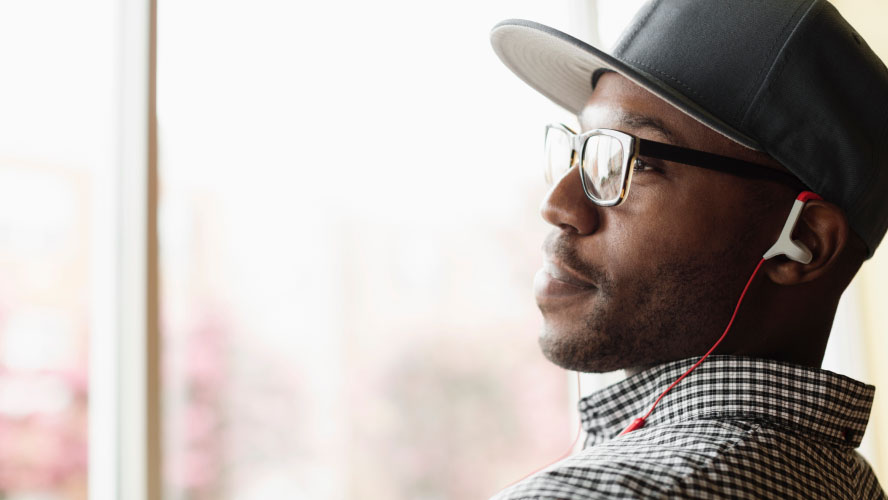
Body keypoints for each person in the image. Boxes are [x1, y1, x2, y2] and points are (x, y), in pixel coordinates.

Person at [489, 0, 888, 498]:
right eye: (583, 150)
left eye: (634, 162)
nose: (559, 205)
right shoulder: (849, 481)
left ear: (803, 243)